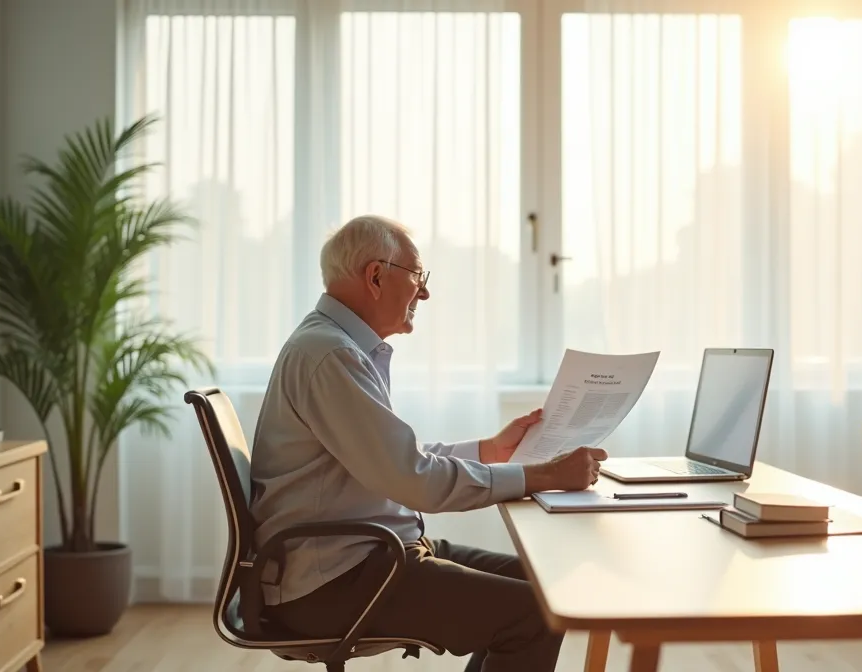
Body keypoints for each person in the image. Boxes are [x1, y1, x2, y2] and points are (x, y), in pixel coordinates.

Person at [249, 214, 606, 672]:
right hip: (335, 581)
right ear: (376, 276)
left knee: (542, 587)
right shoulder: (330, 355)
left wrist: (489, 450)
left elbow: (399, 461)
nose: (425, 292)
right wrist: (544, 476)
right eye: (418, 275)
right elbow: (414, 481)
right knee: (535, 614)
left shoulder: (335, 346)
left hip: (368, 555)